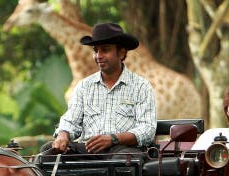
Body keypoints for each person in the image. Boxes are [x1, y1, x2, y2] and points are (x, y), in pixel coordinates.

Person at [47, 22, 157, 155]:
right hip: (88, 150)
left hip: (122, 150)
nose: (98, 55)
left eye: (105, 50)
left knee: (123, 160)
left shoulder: (141, 86)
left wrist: (113, 139)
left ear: (121, 53)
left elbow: (147, 129)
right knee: (48, 151)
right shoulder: (84, 86)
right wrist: (63, 135)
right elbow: (71, 121)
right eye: (95, 50)